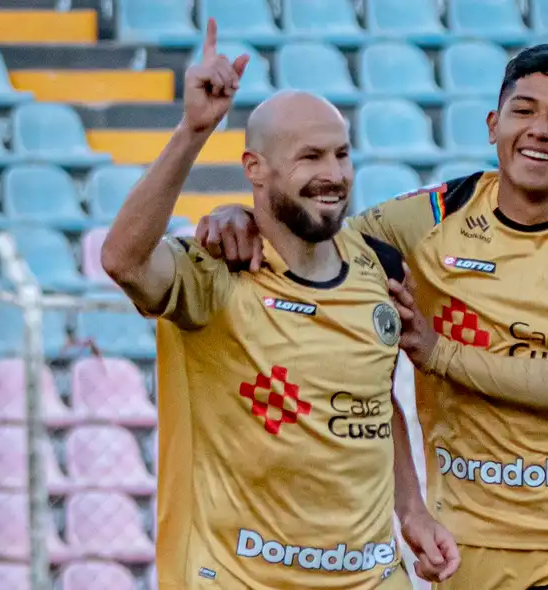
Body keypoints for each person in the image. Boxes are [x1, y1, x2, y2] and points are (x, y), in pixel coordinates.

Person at [195, 43, 548, 589]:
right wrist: (243, 214)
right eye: (523, 111)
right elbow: (309, 233)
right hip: (466, 542)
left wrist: (439, 353)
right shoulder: (431, 215)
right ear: (493, 125)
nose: (539, 129)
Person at [100, 19, 458, 590]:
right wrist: (194, 130)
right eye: (309, 157)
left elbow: (374, 401)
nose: (333, 174)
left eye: (341, 154)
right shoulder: (215, 270)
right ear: (255, 170)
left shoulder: (381, 270)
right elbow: (122, 260)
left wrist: (412, 511)